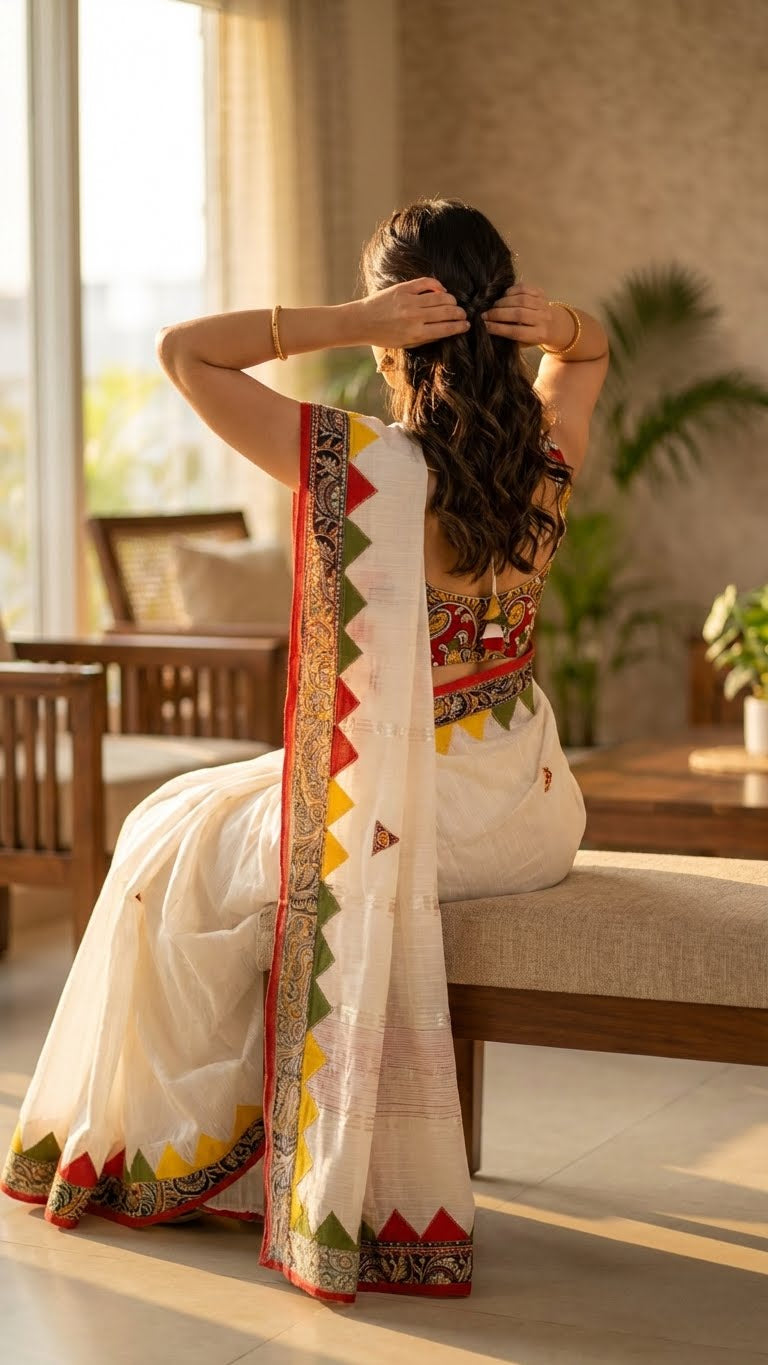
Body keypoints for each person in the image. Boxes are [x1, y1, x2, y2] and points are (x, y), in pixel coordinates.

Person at [1, 198, 609, 1304]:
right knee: (199, 814)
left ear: (394, 332)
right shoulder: (546, 454)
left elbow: (185, 353)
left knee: (165, 840)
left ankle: (203, 1155)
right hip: (527, 808)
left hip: (411, 816)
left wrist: (342, 317)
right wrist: (553, 323)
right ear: (504, 322)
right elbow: (598, 341)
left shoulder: (364, 461)